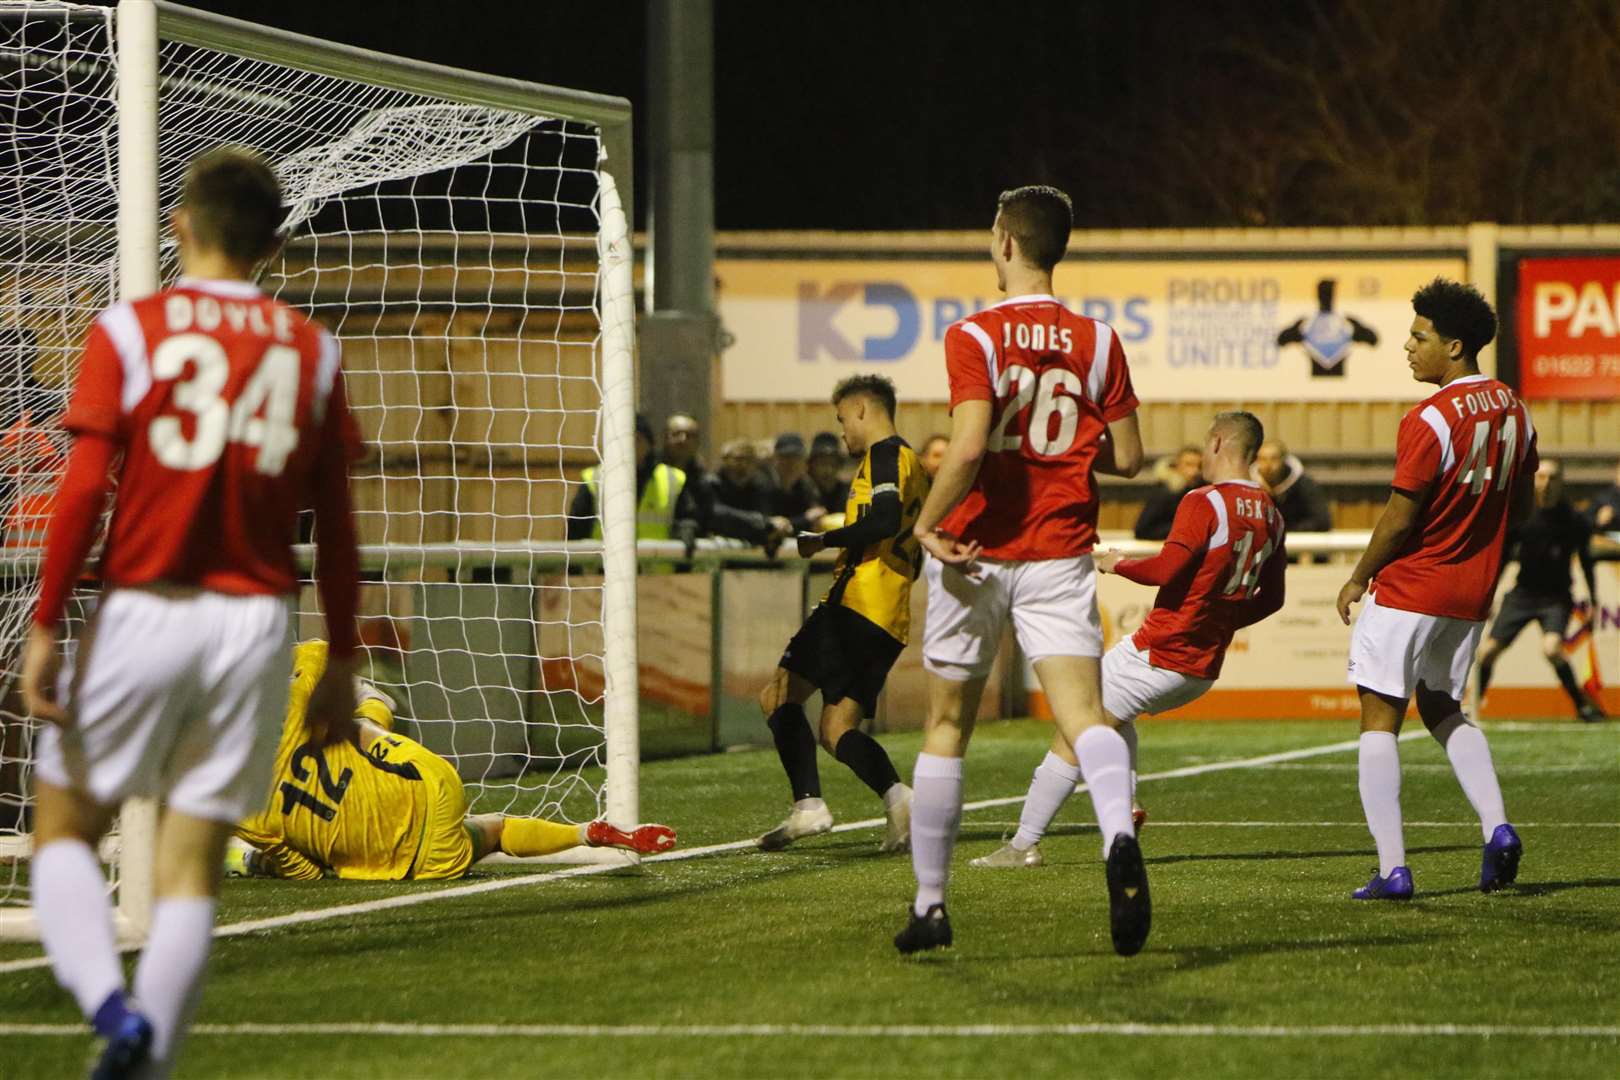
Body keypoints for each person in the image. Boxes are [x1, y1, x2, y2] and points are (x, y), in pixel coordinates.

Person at [19, 147, 362, 1079]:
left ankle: (109, 1009)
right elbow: (335, 526)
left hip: (145, 608)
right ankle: (150, 1062)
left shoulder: (131, 332)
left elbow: (86, 489)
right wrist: (341, 658)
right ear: (273, 243)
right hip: (254, 627)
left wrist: (47, 620)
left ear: (181, 224)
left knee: (60, 833)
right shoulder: (315, 351)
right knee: (189, 874)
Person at [899, 184, 1148, 957]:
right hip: (1060, 550)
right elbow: (1133, 457)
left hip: (977, 554)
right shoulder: (1100, 340)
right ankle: (1115, 834)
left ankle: (932, 907)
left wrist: (926, 523)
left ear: (1005, 240)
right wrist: (1066, 443)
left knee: (946, 726)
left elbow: (969, 446)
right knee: (1083, 716)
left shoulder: (973, 334)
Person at [973, 412, 1286, 868]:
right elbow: (1272, 598)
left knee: (1074, 728)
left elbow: (1165, 570)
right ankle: (1125, 811)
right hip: (1199, 665)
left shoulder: (1205, 502)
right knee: (1115, 719)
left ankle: (1023, 845)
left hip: (1161, 651)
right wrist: (1217, 624)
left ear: (1217, 442)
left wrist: (1114, 563)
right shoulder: (1273, 513)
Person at [1336, 277, 1536, 902]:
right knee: (1443, 706)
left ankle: (1394, 868)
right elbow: (1522, 504)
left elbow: (1400, 514)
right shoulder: (1515, 408)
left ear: (1454, 347)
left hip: (1411, 588)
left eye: (1419, 337)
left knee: (1378, 722)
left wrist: (1359, 574)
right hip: (1470, 595)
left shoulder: (1429, 418)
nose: (1407, 347)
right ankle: (1497, 827)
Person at [230, 640, 675, 880]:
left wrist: (275, 861)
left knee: (494, 831)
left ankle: (584, 835)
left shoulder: (238, 808)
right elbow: (319, 650)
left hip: (403, 863)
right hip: (430, 787)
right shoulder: (288, 702)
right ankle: (587, 830)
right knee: (355, 729)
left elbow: (304, 872)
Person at [756, 375, 925, 853]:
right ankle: (899, 798)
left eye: (841, 419)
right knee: (836, 730)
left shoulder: (886, 455)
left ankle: (808, 806)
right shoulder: (915, 464)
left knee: (777, 697)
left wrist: (823, 541)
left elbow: (885, 520)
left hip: (858, 607)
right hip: (889, 618)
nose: (843, 432)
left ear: (861, 410)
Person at [1475, 460, 1605, 722]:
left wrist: (1593, 599)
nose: (1546, 483)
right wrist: (1488, 595)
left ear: (1561, 482)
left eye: (1552, 477)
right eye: (1542, 477)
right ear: (1535, 481)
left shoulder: (1573, 520)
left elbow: (1587, 560)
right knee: (1486, 653)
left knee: (1552, 649)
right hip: (1522, 595)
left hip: (1556, 598)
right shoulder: (1521, 515)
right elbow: (1501, 559)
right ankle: (1473, 706)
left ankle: (1582, 707)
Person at [566, 412, 701, 543]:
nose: (630, 445)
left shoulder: (673, 479)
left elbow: (687, 517)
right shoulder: (594, 479)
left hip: (656, 563)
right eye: (623, 438)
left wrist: (687, 527)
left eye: (637, 439)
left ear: (649, 444)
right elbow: (575, 530)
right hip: (606, 564)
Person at [701, 438, 793, 551]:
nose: (744, 465)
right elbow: (717, 514)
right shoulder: (711, 483)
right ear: (724, 460)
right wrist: (766, 524)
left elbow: (765, 517)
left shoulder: (760, 486)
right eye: (738, 459)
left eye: (749, 460)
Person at [1255, 438, 1333, 533]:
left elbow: (1322, 522)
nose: (1268, 465)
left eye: (1274, 459)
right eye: (1262, 459)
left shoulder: (1305, 485)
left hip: (1300, 543)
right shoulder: (1247, 488)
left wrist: (1286, 530)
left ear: (1284, 461)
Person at [1133, 445, 1203, 540]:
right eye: (1189, 465)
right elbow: (1142, 530)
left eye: (1199, 466)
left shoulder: (1201, 490)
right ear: (1177, 466)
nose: (1195, 471)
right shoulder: (1166, 492)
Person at [767, 431, 827, 532]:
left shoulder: (807, 486)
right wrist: (804, 520)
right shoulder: (764, 485)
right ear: (775, 460)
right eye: (786, 457)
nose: (791, 463)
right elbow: (768, 525)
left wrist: (791, 524)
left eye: (796, 457)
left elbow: (816, 516)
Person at [808, 430, 850, 513]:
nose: (828, 470)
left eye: (833, 464)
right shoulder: (802, 492)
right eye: (822, 464)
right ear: (811, 465)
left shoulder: (849, 492)